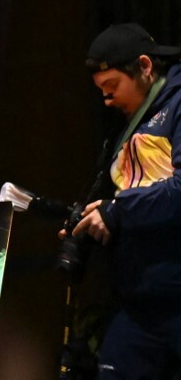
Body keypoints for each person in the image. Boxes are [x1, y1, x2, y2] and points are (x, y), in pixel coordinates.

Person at [70, 23, 181, 378]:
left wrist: (117, 211)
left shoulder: (177, 105)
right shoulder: (129, 126)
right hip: (138, 302)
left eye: (112, 86)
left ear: (145, 67)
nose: (106, 98)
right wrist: (94, 221)